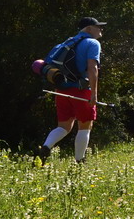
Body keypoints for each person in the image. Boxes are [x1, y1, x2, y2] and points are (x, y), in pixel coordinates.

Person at [38, 17, 106, 163]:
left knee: (64, 126)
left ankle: (45, 147)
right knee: (85, 125)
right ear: (88, 29)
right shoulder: (92, 43)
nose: (101, 29)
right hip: (81, 91)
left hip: (61, 91)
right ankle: (79, 161)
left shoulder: (64, 43)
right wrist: (94, 93)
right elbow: (92, 68)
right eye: (98, 27)